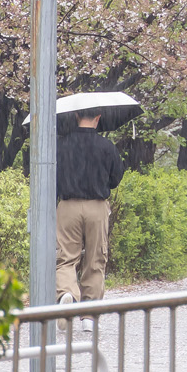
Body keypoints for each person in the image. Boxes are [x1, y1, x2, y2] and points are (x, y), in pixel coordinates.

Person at [56, 111, 125, 303]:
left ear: (76, 116)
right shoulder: (106, 146)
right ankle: (89, 314)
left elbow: (52, 176)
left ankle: (66, 292)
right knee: (96, 259)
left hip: (68, 206)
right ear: (98, 118)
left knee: (66, 258)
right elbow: (116, 178)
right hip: (97, 207)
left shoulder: (61, 145)